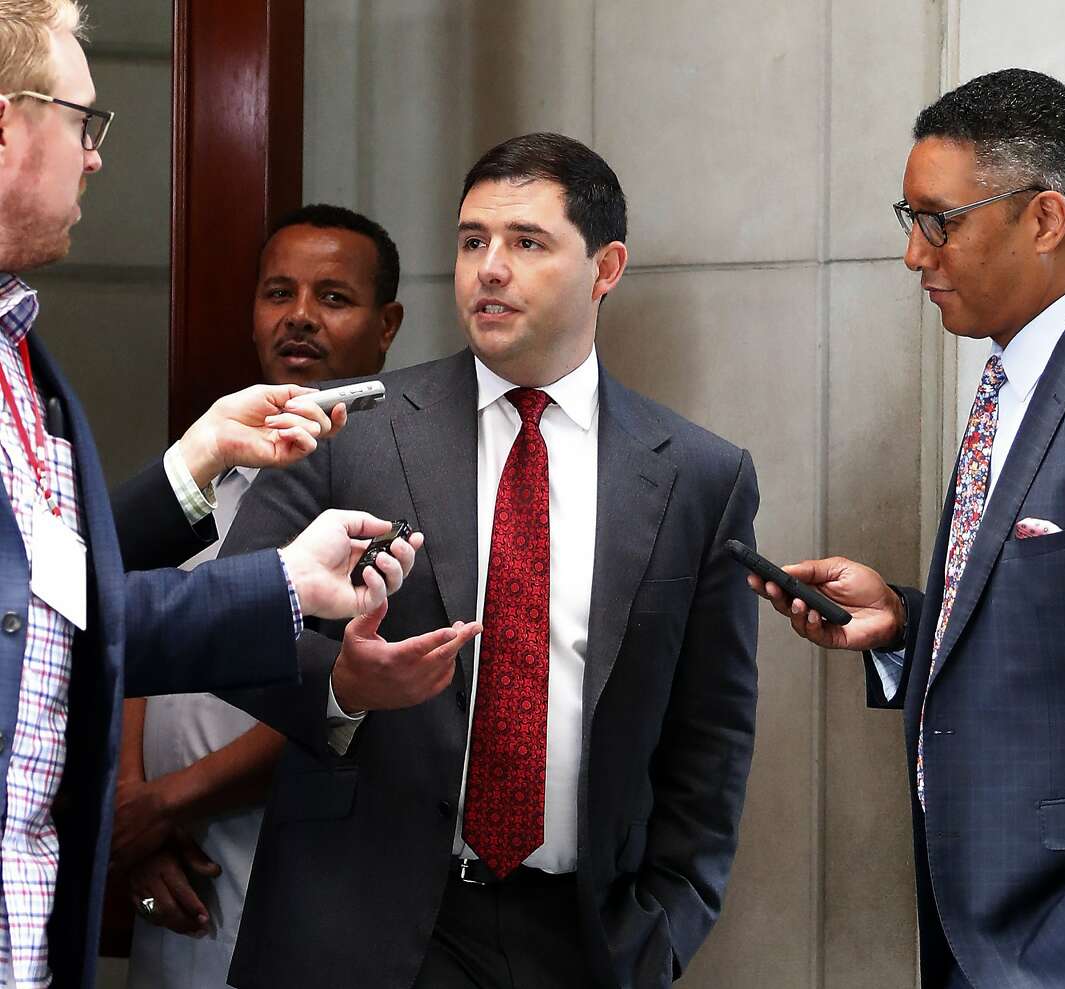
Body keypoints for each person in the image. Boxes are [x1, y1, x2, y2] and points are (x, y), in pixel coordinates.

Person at [219, 132, 760, 989]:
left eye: (526, 242)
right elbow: (228, 622)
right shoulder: (353, 425)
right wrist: (343, 684)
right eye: (473, 241)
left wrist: (663, 926)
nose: (490, 268)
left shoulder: (698, 475)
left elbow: (711, 736)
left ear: (606, 266)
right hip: (358, 926)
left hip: (581, 938)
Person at [0, 4, 433, 986]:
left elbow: (62, 588)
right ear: (5, 126)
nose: (98, 157)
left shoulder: (20, 350)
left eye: (335, 298)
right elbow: (38, 615)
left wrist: (187, 465)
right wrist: (280, 583)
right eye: (83, 122)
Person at [752, 69, 1065, 989]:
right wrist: (909, 625)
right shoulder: (1012, 377)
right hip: (973, 932)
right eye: (907, 217)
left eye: (938, 219)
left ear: (1044, 218)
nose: (915, 255)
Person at [114, 204, 406, 988]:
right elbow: (133, 619)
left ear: (387, 325)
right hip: (171, 866)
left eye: (333, 298)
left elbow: (348, 698)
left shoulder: (395, 484)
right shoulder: (204, 470)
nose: (300, 317)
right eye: (279, 293)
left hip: (295, 858)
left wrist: (162, 804)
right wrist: (130, 814)